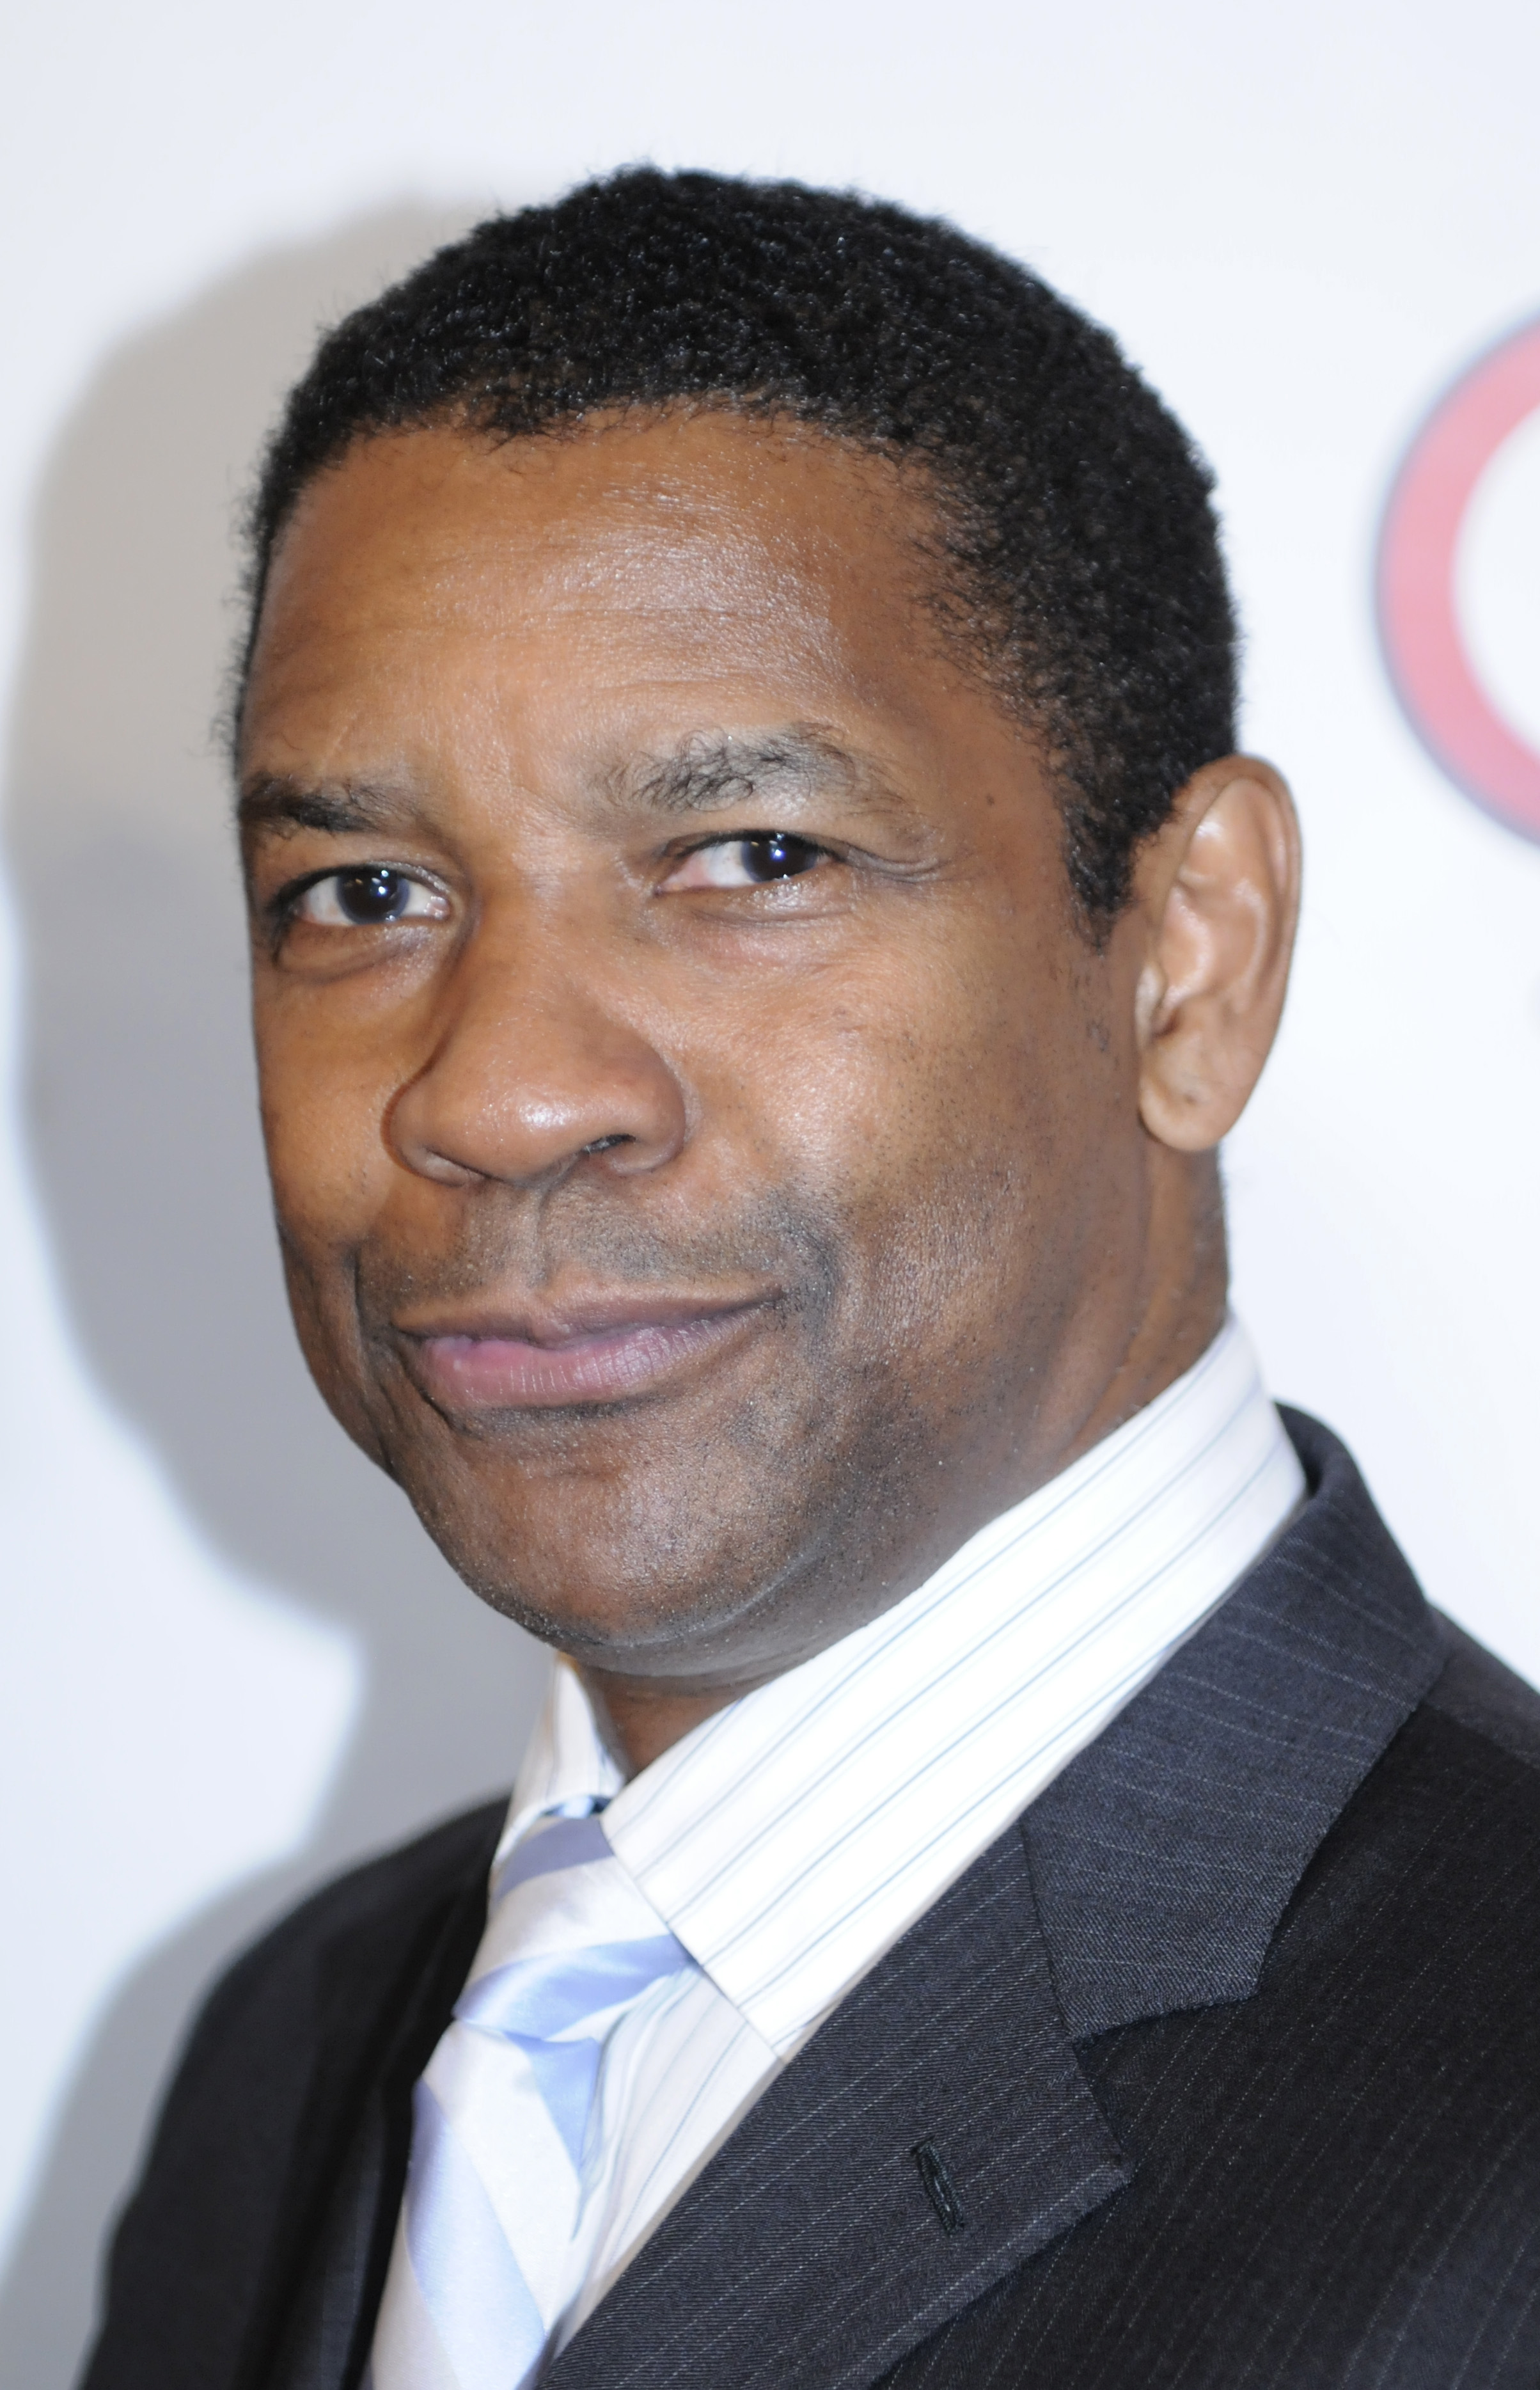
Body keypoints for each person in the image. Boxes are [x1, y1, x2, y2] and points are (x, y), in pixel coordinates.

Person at [82, 170, 1540, 2390]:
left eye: (755, 858)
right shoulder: (289, 2060)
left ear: (1189, 959)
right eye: (366, 890)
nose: (501, 1090)